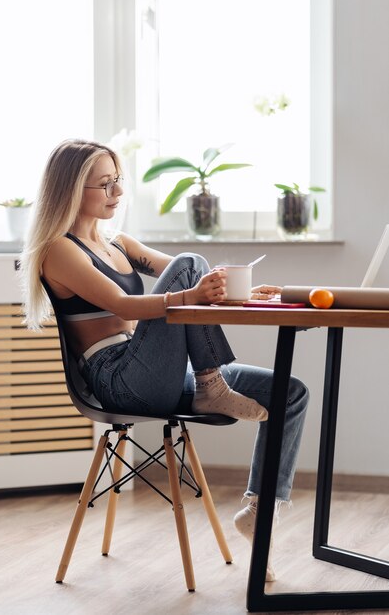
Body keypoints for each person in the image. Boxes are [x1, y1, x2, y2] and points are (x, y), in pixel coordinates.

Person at [20, 138, 309, 582]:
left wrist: (241, 292)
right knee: (191, 262)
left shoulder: (119, 241)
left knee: (289, 392)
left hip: (162, 369)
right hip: (119, 377)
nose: (117, 193)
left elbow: (189, 275)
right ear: (71, 189)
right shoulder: (60, 248)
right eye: (105, 184)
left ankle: (259, 510)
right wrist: (193, 293)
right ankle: (213, 387)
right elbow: (124, 304)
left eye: (119, 181)